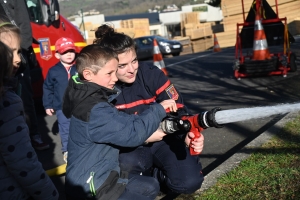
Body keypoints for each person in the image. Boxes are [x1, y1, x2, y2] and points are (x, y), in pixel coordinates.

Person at [93, 24, 204, 198]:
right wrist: (141, 136)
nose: (132, 69)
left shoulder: (151, 74)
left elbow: (179, 109)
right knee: (127, 187)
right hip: (127, 148)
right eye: (122, 66)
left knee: (189, 182)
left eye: (134, 61)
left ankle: (158, 176)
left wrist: (187, 133)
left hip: (162, 139)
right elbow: (106, 131)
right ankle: (144, 178)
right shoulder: (101, 87)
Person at [62, 44, 178, 200]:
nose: (115, 78)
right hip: (92, 188)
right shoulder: (93, 109)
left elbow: (121, 121)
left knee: (150, 187)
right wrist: (158, 109)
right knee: (144, 191)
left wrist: (149, 127)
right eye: (109, 73)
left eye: (115, 72)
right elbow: (132, 134)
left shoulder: (92, 98)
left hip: (103, 175)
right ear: (88, 74)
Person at [0, 35, 58, 199]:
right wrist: (50, 194)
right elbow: (23, 163)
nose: (19, 59)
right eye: (12, 53)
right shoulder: (7, 104)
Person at [0, 0, 50, 150]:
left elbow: (24, 28)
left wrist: (17, 54)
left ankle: (32, 134)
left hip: (14, 54)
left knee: (23, 97)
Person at [43, 37, 77, 163]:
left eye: (71, 51)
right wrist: (48, 105)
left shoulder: (79, 68)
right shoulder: (53, 71)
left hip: (79, 105)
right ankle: (67, 150)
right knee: (65, 129)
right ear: (57, 55)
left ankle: (84, 148)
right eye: (64, 52)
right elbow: (48, 88)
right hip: (61, 107)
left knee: (81, 126)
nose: (69, 54)